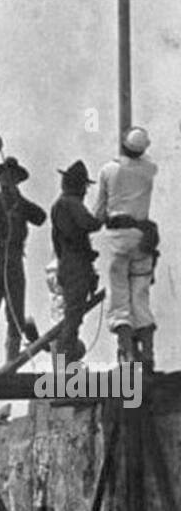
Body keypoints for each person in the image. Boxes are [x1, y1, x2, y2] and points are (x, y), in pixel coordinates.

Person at [0, 136, 46, 374]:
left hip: (14, 259)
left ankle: (11, 364)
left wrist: (19, 200)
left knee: (16, 313)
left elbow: (40, 217)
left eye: (13, 177)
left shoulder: (20, 203)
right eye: (5, 176)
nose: (9, 180)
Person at [93, 126, 159, 367]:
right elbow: (144, 160)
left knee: (119, 297)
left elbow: (99, 212)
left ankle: (129, 355)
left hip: (117, 238)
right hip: (142, 237)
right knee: (140, 296)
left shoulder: (108, 170)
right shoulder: (149, 170)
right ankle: (149, 353)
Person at [50, 160, 102, 363]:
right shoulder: (71, 203)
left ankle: (65, 359)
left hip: (69, 262)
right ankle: (65, 361)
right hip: (76, 264)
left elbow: (57, 242)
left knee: (73, 314)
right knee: (73, 316)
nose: (86, 191)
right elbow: (90, 223)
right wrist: (102, 216)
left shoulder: (59, 205)